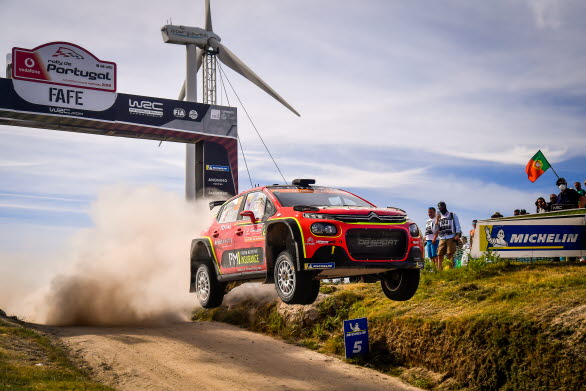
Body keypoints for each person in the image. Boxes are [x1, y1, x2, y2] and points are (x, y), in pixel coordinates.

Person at [432, 201, 461, 269]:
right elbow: (435, 230)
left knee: (450, 254)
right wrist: (437, 220)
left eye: (441, 207)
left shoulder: (452, 214)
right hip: (442, 237)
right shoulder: (438, 217)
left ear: (444, 206)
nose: (440, 208)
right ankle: (440, 271)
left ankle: (450, 269)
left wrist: (457, 234)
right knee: (439, 254)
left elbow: (457, 225)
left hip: (451, 237)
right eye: (439, 207)